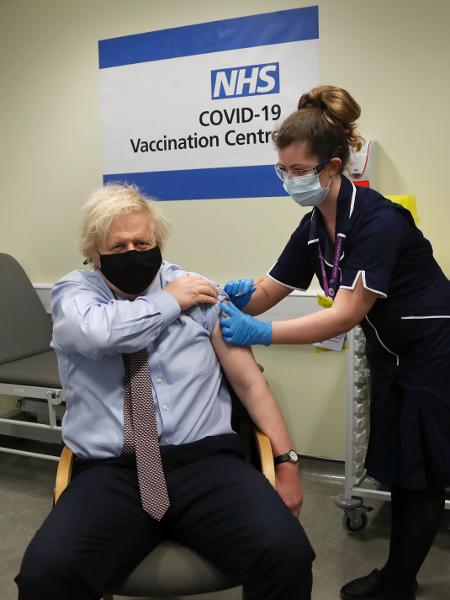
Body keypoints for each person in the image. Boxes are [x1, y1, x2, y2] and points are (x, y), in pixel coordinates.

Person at [15, 183, 314, 600]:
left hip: (205, 463)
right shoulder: (76, 294)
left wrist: (286, 463)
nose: (133, 252)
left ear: (159, 243)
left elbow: (249, 383)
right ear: (94, 254)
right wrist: (171, 302)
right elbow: (99, 333)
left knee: (286, 552)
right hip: (111, 472)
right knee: (46, 574)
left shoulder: (199, 291)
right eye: (118, 246)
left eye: (143, 242)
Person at [219, 85, 450, 600]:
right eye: (282, 170)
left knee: (423, 474)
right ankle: (398, 576)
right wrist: (226, 299)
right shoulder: (312, 228)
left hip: (433, 352)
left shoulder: (380, 220)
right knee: (401, 468)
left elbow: (344, 315)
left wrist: (260, 333)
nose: (289, 180)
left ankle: (397, 583)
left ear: (333, 166)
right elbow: (267, 292)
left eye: (298, 171)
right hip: (393, 356)